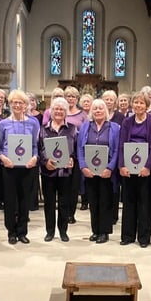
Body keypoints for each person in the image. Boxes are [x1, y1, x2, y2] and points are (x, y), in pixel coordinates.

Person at [118, 91, 151, 248]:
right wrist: (121, 165)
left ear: (147, 105)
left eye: (141, 103)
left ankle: (143, 237)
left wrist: (148, 167)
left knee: (145, 204)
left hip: (146, 170)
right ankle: (128, 236)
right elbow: (122, 144)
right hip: (128, 169)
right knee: (128, 203)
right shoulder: (127, 122)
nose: (138, 105)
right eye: (136, 102)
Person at [0, 90, 40, 245]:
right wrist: (3, 158)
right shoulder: (3, 124)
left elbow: (36, 145)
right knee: (10, 200)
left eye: (20, 102)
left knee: (24, 200)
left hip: (27, 167)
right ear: (10, 104)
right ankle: (11, 232)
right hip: (9, 167)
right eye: (14, 102)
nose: (17, 105)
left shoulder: (33, 122)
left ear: (25, 105)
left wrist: (35, 158)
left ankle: (22, 231)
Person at [78, 98, 120, 244]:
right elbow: (80, 148)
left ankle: (104, 231)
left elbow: (116, 150)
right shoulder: (85, 127)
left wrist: (110, 168)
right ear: (91, 111)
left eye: (100, 108)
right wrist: (83, 166)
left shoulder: (114, 127)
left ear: (106, 111)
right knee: (93, 202)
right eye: (95, 108)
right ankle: (95, 230)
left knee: (105, 202)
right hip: (90, 172)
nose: (97, 111)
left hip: (106, 173)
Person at [38, 97, 77, 242]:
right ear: (51, 111)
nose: (59, 112)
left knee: (64, 203)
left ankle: (63, 231)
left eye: (62, 109)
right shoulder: (43, 129)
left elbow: (76, 149)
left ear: (66, 112)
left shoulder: (72, 129)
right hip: (48, 172)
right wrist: (45, 161)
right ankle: (50, 231)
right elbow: (39, 148)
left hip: (65, 173)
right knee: (49, 203)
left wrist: (72, 158)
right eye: (56, 109)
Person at [64, 86, 88, 222]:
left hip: (77, 153)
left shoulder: (83, 115)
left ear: (77, 99)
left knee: (74, 185)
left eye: (73, 96)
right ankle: (63, 211)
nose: (71, 99)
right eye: (68, 96)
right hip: (62, 152)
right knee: (64, 185)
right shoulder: (61, 112)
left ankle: (70, 214)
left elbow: (85, 134)